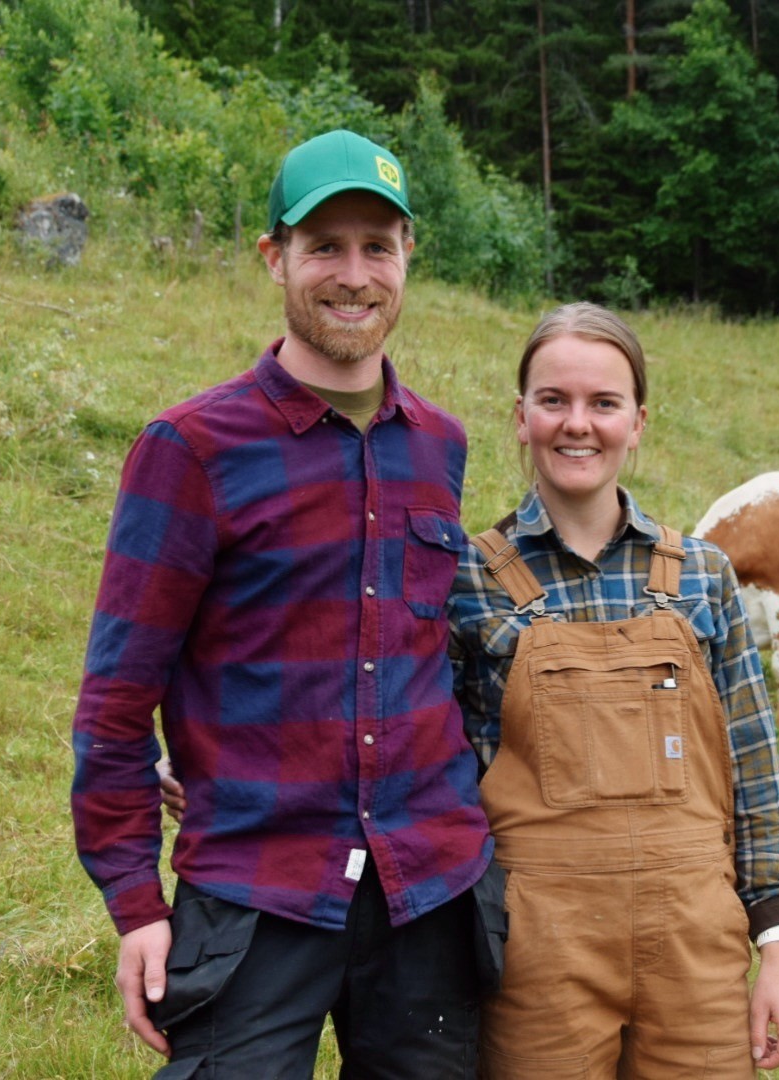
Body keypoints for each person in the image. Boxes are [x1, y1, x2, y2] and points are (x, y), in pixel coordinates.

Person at [70, 129, 496, 1079]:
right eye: (324, 247)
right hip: (259, 890)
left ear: (408, 256)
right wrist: (137, 903)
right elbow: (114, 700)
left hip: (427, 892)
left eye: (377, 246)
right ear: (275, 258)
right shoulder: (191, 449)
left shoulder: (439, 446)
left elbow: (440, 659)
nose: (354, 275)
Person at [447, 301, 779, 1076]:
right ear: (520, 417)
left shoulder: (704, 576)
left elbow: (755, 769)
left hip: (695, 945)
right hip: (540, 950)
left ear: (637, 422)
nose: (578, 424)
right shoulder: (467, 577)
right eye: (554, 401)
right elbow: (437, 770)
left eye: (603, 404)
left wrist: (776, 947)